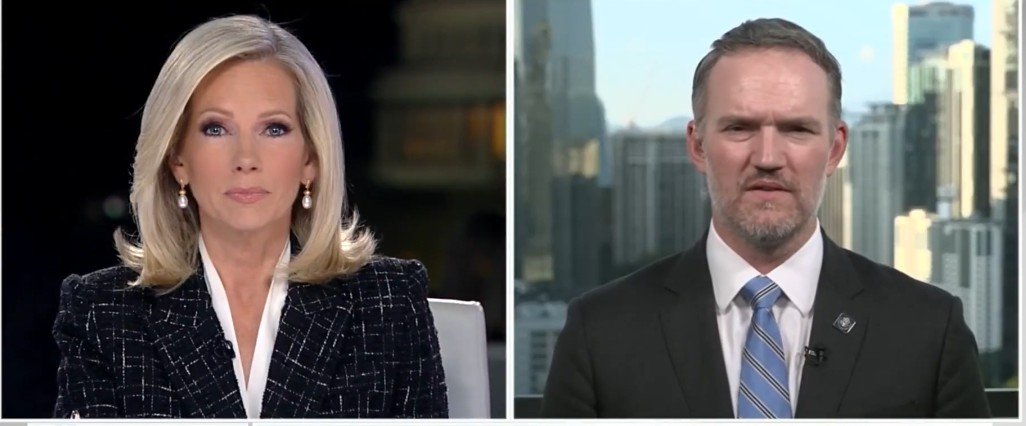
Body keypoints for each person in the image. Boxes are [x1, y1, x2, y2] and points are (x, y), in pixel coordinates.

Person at [541, 18, 990, 418]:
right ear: (697, 145)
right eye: (740, 128)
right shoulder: (601, 331)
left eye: (797, 129)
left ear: (835, 149)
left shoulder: (928, 329)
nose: (768, 157)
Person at [53, 15, 448, 418]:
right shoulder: (104, 313)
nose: (246, 159)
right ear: (177, 160)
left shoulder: (388, 304)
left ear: (310, 159)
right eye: (216, 129)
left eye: (274, 129)